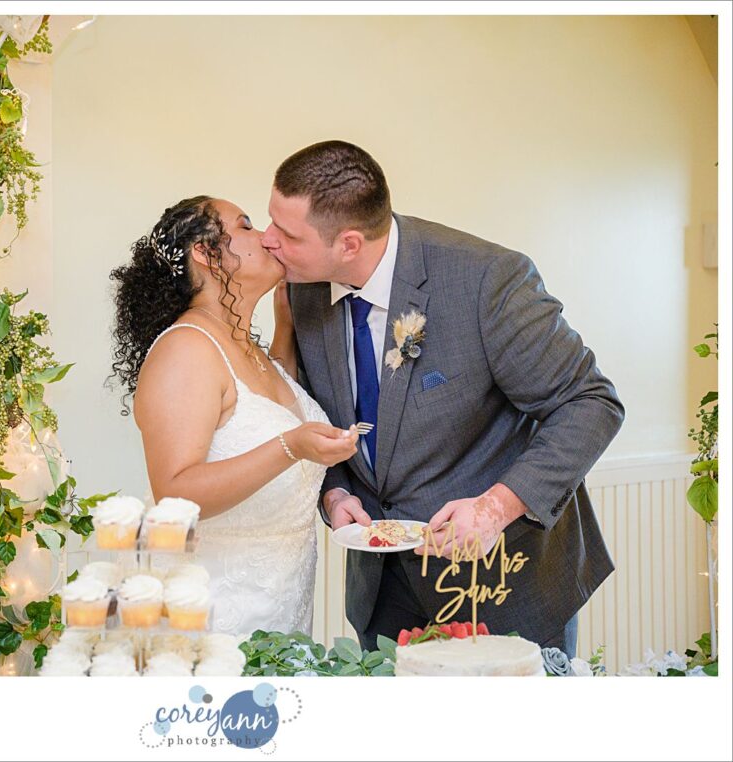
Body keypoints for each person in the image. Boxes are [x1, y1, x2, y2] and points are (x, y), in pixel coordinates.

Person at [261, 140, 624, 656]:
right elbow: (323, 411)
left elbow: (591, 403)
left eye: (287, 234)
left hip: (502, 584)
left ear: (348, 243)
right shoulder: (303, 287)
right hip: (383, 594)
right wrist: (335, 492)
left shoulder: (486, 281)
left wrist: (496, 507)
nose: (268, 241)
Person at [109, 195, 359, 636]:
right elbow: (175, 495)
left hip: (281, 606)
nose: (268, 236)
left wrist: (285, 326)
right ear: (205, 254)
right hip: (210, 618)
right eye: (246, 226)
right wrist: (291, 446)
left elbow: (272, 407)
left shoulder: (248, 348)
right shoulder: (186, 349)